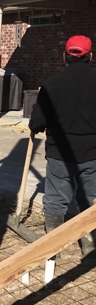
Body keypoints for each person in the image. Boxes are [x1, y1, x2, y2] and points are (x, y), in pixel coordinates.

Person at [29, 35, 96, 255]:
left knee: (56, 198)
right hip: (92, 153)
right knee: (90, 197)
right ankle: (89, 242)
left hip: (59, 154)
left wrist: (35, 123)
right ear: (90, 56)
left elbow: (38, 122)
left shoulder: (51, 85)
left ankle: (53, 247)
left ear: (64, 56)